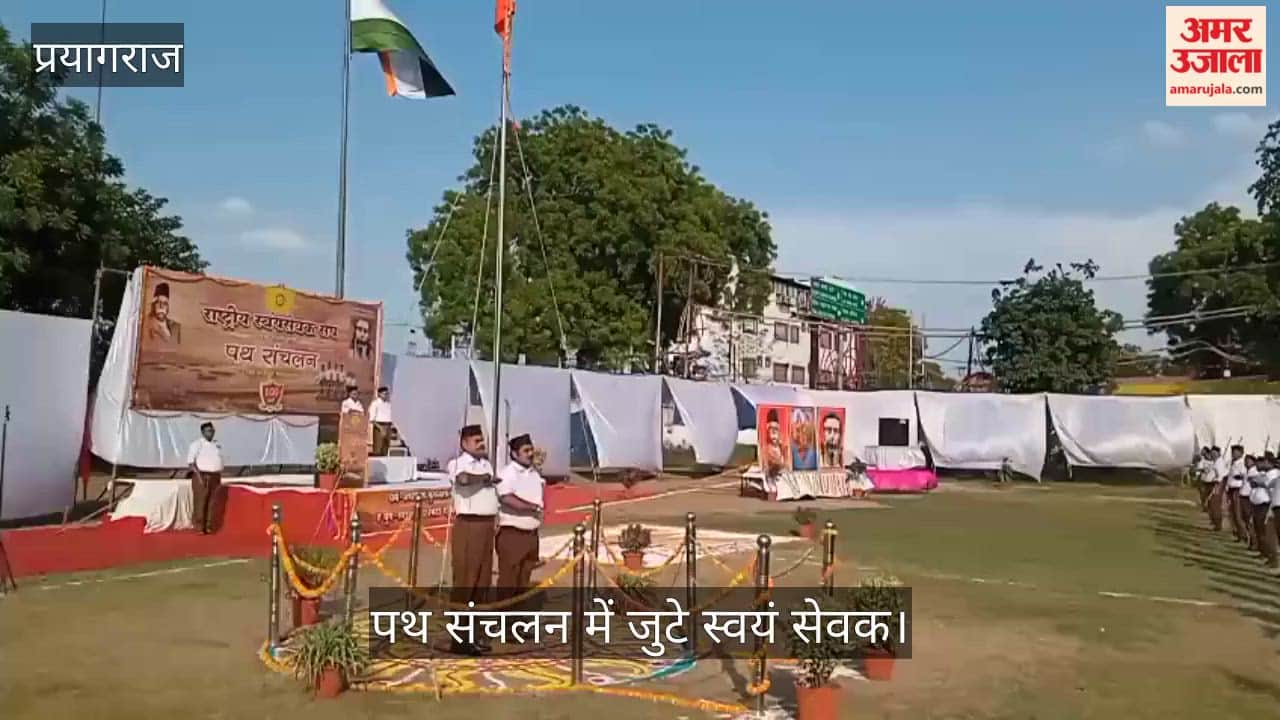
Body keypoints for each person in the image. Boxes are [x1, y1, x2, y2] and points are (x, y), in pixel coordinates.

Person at [446, 424, 498, 655]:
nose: (482, 444)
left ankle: (475, 635)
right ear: (465, 443)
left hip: (486, 526)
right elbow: (464, 480)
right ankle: (459, 638)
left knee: (482, 583)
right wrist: (484, 478)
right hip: (468, 525)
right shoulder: (458, 463)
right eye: (477, 441)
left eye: (482, 440)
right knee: (466, 581)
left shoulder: (486, 463)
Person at [495, 434, 545, 603]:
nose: (530, 454)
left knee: (523, 582)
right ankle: (503, 621)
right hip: (513, 534)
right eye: (526, 451)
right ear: (515, 454)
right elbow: (506, 498)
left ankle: (517, 621)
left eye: (531, 449)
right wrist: (532, 507)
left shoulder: (533, 473)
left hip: (531, 534)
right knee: (509, 582)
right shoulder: (507, 473)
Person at [187, 422, 223, 534]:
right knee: (200, 501)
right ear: (203, 432)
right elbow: (191, 463)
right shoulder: (196, 444)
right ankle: (199, 527)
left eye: (212, 431)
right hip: (202, 475)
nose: (211, 433)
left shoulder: (217, 444)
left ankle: (208, 526)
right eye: (208, 431)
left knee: (212, 502)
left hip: (215, 476)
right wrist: (199, 477)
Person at [1246, 455, 1277, 567]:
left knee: (1266, 531)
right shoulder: (1264, 473)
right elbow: (1255, 481)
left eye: (1264, 462)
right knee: (1259, 528)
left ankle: (1271, 556)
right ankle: (1264, 552)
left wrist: (1259, 482)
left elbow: (1265, 483)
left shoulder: (1274, 473)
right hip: (1258, 504)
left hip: (1267, 505)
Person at [1225, 445, 1247, 544]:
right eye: (1232, 452)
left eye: (1235, 452)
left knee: (1238, 514)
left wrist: (1239, 477)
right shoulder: (1232, 463)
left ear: (1241, 453)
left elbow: (1244, 476)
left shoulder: (1242, 464)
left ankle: (1243, 535)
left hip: (1237, 489)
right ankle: (1238, 533)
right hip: (1231, 489)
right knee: (1232, 512)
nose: (1233, 454)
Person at [368, 386, 393, 456]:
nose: (386, 395)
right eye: (384, 394)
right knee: (378, 448)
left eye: (387, 394)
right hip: (379, 426)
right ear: (379, 394)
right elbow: (372, 419)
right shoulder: (375, 403)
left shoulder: (389, 404)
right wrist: (381, 428)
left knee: (386, 448)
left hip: (388, 426)